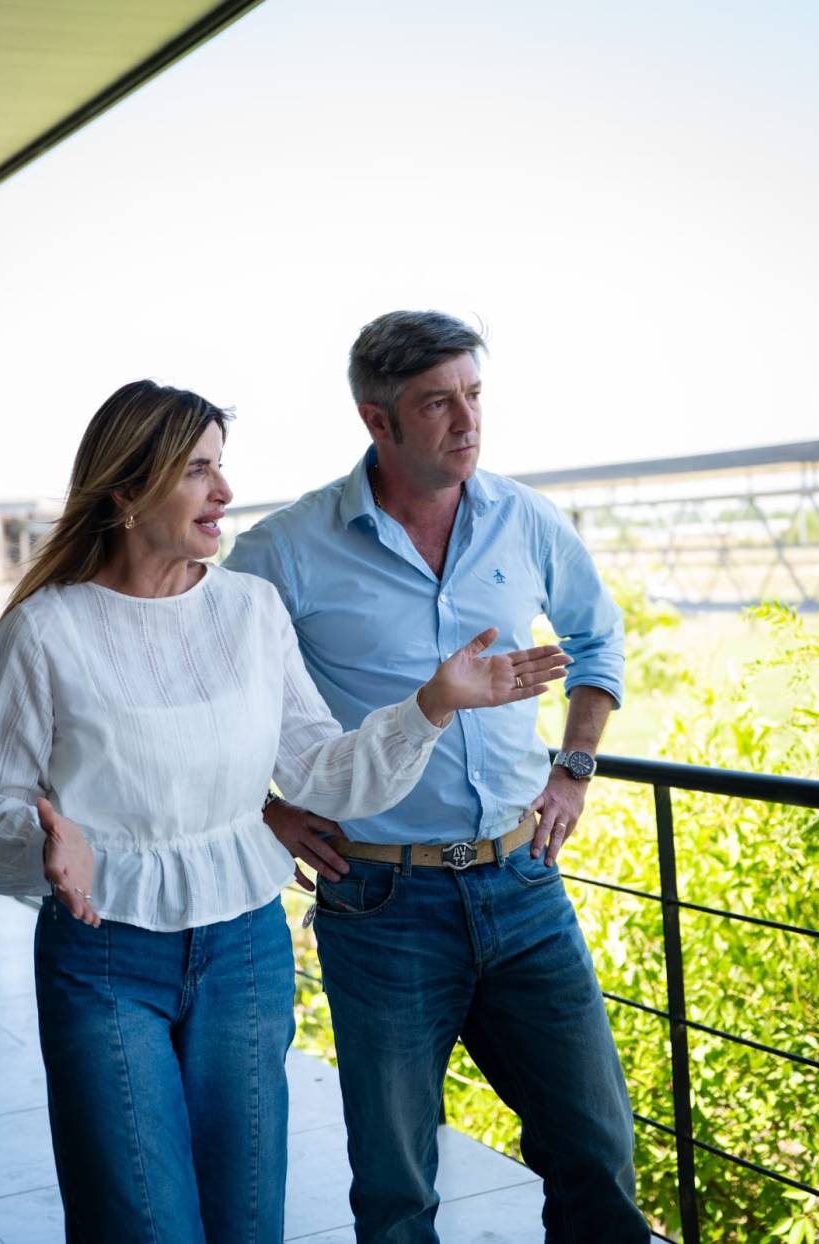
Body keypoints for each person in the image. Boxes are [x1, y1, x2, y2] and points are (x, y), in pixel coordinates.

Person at [0, 379, 570, 1244]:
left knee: (247, 1225)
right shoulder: (43, 630)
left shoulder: (249, 610)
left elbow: (322, 772)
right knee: (140, 1223)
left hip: (244, 948)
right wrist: (46, 844)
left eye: (222, 467)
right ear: (128, 490)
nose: (224, 493)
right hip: (103, 956)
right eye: (198, 471)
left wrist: (429, 705)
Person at [225, 311, 651, 1243]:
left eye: (473, 395)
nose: (467, 420)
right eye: (437, 403)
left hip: (523, 884)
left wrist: (573, 768)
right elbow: (217, 696)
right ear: (378, 422)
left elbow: (597, 638)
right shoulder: (285, 549)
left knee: (595, 1149)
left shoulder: (524, 518)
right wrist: (266, 810)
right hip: (380, 902)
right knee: (394, 1187)